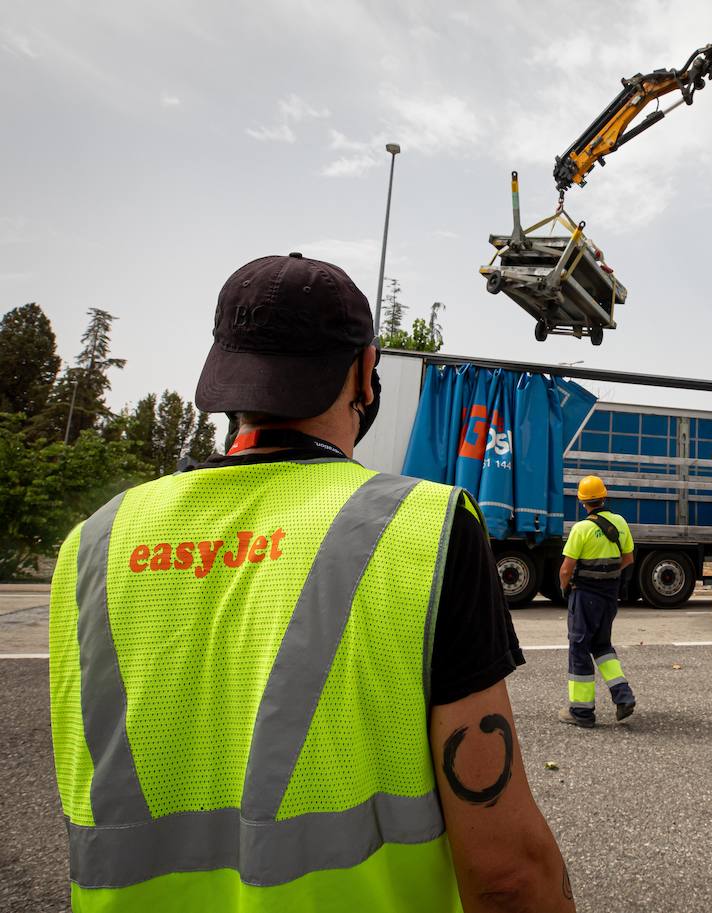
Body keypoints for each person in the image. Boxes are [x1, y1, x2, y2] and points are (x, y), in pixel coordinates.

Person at [49, 253, 575, 912]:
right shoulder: (425, 530)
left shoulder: (93, 543)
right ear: (363, 372)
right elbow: (507, 875)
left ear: (222, 372)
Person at [557, 476, 637, 728]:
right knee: (602, 645)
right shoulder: (620, 522)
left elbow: (566, 570)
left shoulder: (581, 529)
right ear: (604, 496)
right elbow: (628, 558)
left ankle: (581, 712)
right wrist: (608, 575)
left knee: (579, 647)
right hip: (609, 596)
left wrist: (565, 588)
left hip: (585, 597)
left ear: (582, 501)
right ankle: (623, 696)